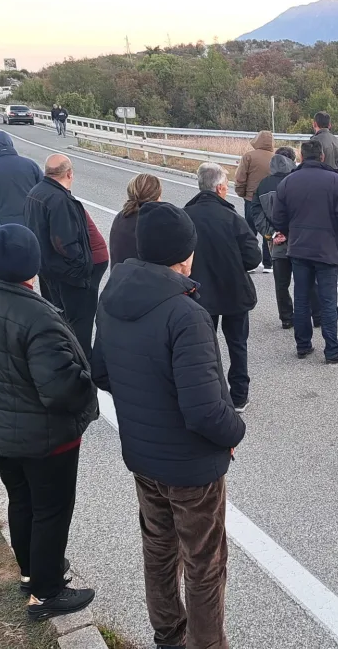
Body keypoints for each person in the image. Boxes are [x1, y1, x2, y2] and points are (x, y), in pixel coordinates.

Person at [90, 201, 245, 649]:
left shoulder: (114, 294)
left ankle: (168, 636)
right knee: (204, 562)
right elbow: (204, 411)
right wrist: (235, 432)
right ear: (185, 255)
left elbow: (102, 373)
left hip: (143, 455)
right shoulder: (185, 313)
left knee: (159, 550)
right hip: (192, 467)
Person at [0, 223, 98, 622]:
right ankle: (47, 593)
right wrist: (88, 387)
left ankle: (32, 572)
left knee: (22, 500)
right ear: (34, 264)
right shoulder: (37, 315)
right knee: (52, 509)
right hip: (47, 438)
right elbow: (61, 389)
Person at [272, 140, 338, 363]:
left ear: (301, 157)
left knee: (301, 298)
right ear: (322, 157)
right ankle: (332, 349)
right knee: (327, 300)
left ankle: (303, 345)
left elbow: (278, 218)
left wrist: (291, 233)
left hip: (299, 248)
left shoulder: (288, 182)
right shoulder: (336, 181)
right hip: (327, 250)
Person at [184, 162, 262, 413]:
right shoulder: (232, 218)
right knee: (237, 343)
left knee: (204, 347)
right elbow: (253, 257)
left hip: (197, 292)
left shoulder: (185, 216)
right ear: (219, 188)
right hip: (234, 291)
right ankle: (239, 395)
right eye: (226, 185)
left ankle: (208, 395)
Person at [24, 154, 107, 362]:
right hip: (71, 275)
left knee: (61, 319)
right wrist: (83, 267)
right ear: (69, 173)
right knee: (81, 325)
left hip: (49, 270)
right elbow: (66, 242)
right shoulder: (60, 200)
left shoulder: (35, 193)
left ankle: (64, 359)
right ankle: (82, 368)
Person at [251, 148, 322, 330]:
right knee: (308, 280)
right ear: (291, 161)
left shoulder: (262, 185)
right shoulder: (298, 182)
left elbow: (257, 214)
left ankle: (287, 318)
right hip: (300, 241)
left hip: (276, 242)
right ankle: (318, 315)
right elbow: (305, 212)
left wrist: (273, 233)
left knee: (281, 284)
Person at [0, 131, 42, 227]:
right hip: (32, 220)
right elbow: (44, 191)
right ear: (10, 143)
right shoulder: (30, 165)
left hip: (5, 222)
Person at [234, 130, 275, 272]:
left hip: (251, 198)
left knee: (250, 230)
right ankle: (268, 263)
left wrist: (241, 192)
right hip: (270, 199)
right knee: (268, 230)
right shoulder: (275, 157)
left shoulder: (249, 157)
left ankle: (251, 262)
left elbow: (241, 177)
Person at [109, 173, 161, 269]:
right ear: (158, 196)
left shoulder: (121, 217)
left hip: (119, 279)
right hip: (144, 281)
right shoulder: (157, 222)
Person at [310, 111, 338, 177]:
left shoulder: (313, 143)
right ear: (329, 125)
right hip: (337, 183)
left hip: (319, 183)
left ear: (314, 124)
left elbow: (308, 167)